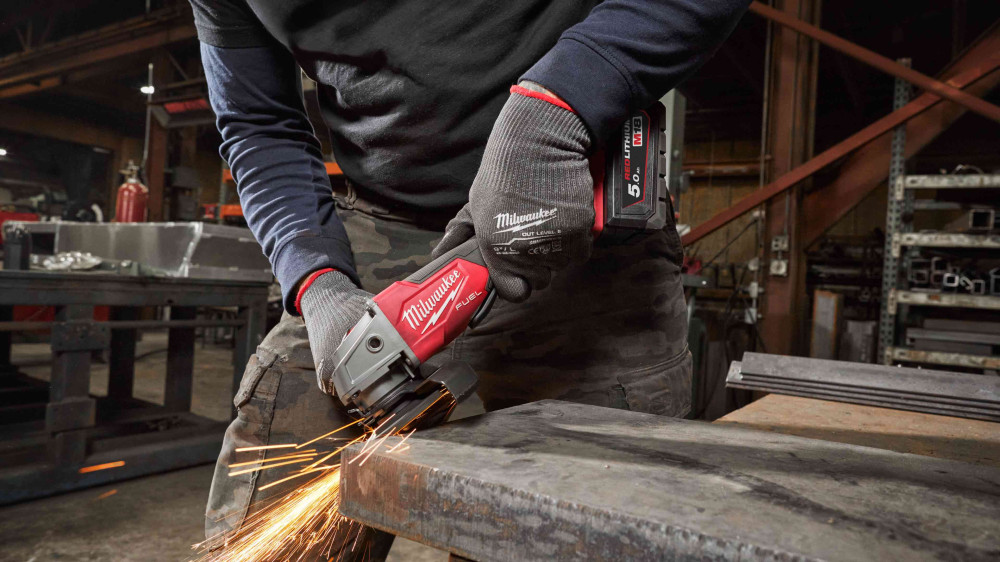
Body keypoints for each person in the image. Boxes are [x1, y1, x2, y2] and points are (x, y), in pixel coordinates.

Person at [191, 0, 749, 558]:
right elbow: (257, 122)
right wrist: (318, 283)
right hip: (376, 230)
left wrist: (562, 105)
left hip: (578, 194)